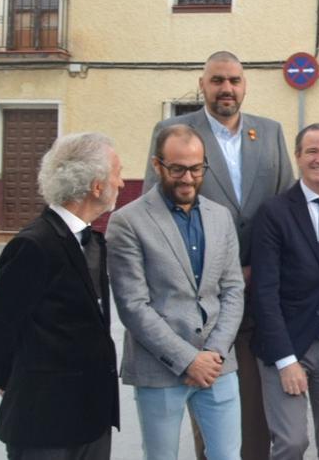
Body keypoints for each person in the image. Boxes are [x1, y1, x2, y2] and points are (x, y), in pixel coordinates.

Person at [146, 50, 294, 460]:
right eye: (217, 80)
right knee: (209, 403)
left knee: (256, 406)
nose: (226, 88)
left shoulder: (270, 132)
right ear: (202, 84)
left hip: (259, 290)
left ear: (244, 85)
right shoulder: (173, 130)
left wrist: (260, 271)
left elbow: (283, 210)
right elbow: (155, 213)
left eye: (234, 80)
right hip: (201, 296)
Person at [109, 124, 245, 460]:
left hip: (218, 365)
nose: (188, 178)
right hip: (160, 366)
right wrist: (187, 360)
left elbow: (232, 290)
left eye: (196, 168)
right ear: (157, 166)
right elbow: (133, 306)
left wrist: (212, 354)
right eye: (177, 169)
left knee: (228, 456)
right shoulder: (127, 221)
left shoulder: (221, 217)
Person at [0, 133, 122, 459]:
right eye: (118, 172)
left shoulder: (93, 242)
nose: (121, 181)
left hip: (92, 421)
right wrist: (25, 383)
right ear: (97, 186)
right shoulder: (33, 245)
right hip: (43, 427)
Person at [250, 124, 319, 460]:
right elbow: (264, 291)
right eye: (312, 151)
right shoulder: (274, 212)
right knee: (291, 442)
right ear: (298, 156)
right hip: (286, 342)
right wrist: (286, 361)